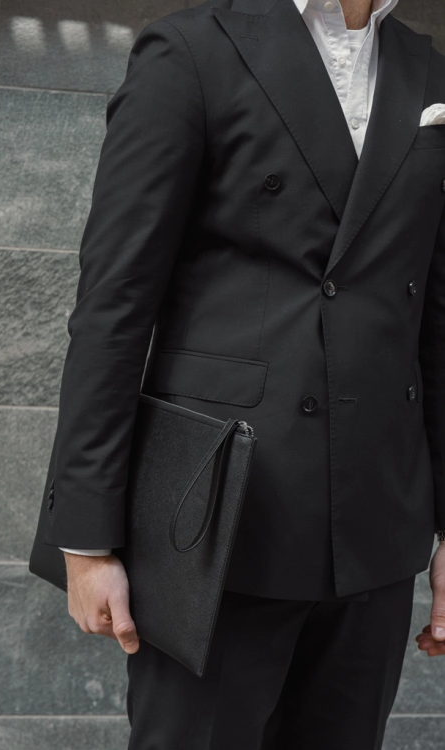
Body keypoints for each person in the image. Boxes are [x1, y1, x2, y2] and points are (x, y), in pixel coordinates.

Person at [42, 0, 445, 747]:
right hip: (219, 526)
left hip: (376, 531)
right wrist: (87, 540)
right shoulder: (192, 50)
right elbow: (114, 307)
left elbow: (438, 321)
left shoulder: (427, 72)